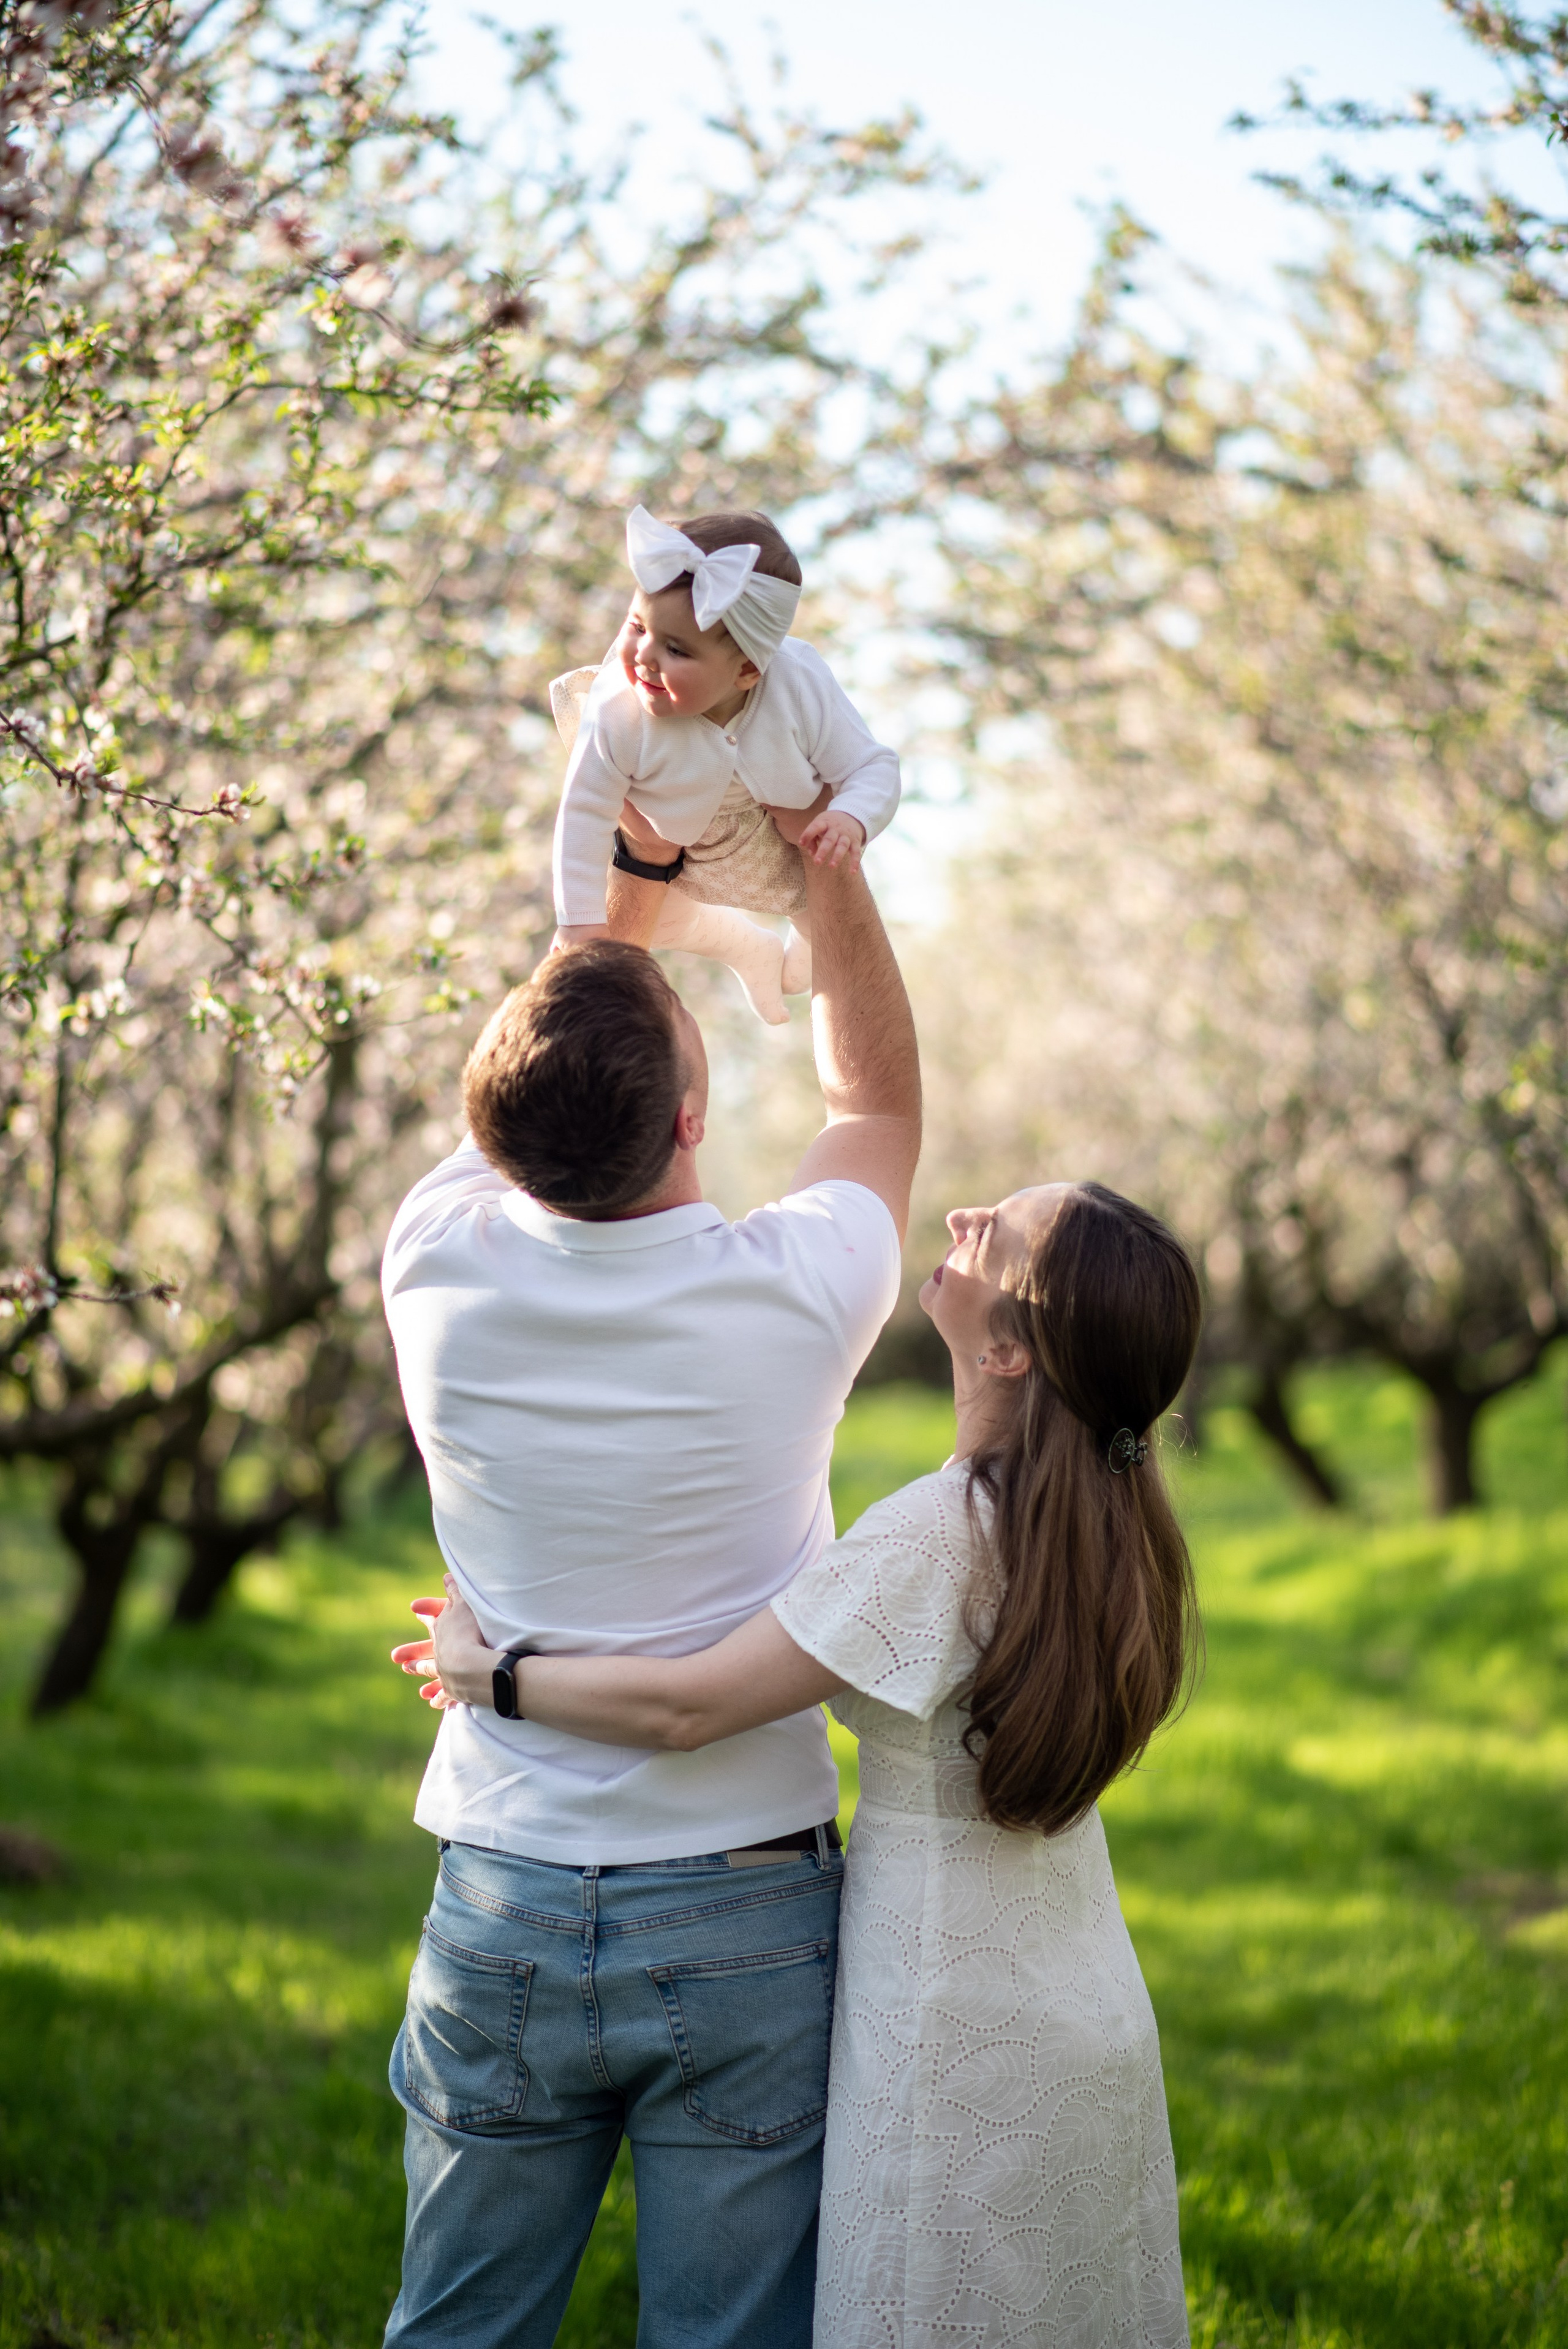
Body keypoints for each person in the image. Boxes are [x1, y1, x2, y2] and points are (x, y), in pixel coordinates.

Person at [401, 1179, 1201, 2349]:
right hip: (1077, 1994)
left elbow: (691, 1706)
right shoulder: (1106, 1526)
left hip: (945, 2013)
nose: (965, 1214)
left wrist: (494, 1678)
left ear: (1015, 1352)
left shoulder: (944, 1534)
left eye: (1000, 1232)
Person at [377, 821, 921, 2349]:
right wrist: (828, 868)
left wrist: (602, 849)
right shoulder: (793, 1290)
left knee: (454, 2330)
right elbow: (872, 1096)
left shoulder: (433, 1265)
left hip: (501, 1891)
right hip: (744, 1903)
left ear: (500, 1130)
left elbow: (536, 1060)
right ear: (691, 1118)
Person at [548, 505, 902, 1021]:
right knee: (662, 924)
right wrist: (579, 924)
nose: (644, 656)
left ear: (747, 671)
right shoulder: (616, 708)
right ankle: (746, 947)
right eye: (636, 625)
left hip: (781, 847)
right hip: (682, 857)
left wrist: (850, 817)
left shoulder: (798, 683)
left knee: (827, 924)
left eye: (676, 649)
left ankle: (803, 941)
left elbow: (874, 766)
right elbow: (583, 813)